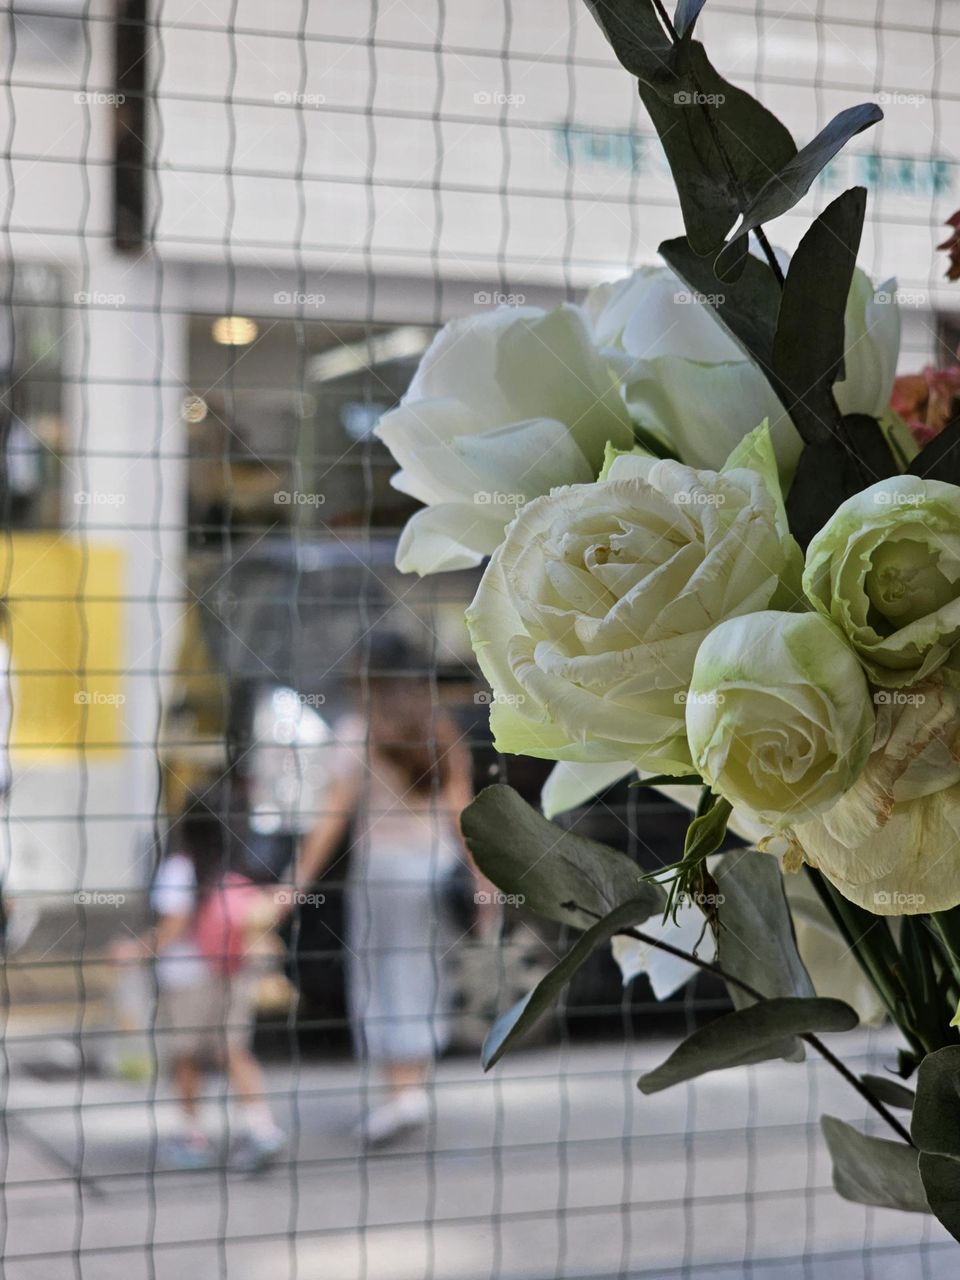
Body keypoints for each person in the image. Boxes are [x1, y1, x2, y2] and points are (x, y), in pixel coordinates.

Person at [294, 637, 487, 1144]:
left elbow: (333, 815)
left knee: (380, 980)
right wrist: (485, 879)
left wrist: (296, 882)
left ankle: (399, 1094)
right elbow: (462, 812)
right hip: (434, 870)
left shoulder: (359, 733)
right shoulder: (441, 731)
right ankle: (412, 1089)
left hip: (382, 875)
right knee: (423, 977)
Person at [137, 789, 286, 1170]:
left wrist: (134, 950)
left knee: (185, 1056)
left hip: (186, 978)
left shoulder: (179, 868)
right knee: (233, 1049)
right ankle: (261, 1128)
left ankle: (191, 1134)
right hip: (231, 970)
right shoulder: (237, 868)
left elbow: (173, 925)